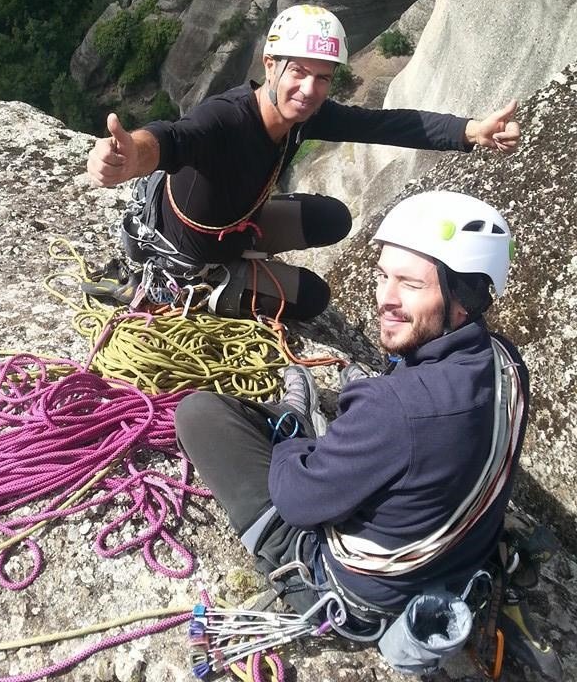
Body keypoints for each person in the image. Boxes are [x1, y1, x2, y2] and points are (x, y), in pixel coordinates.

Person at [175, 191, 559, 677]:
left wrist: (299, 443)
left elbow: (296, 499)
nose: (385, 298)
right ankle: (322, 428)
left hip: (353, 596)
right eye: (383, 275)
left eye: (411, 284)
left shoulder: (393, 407)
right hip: (457, 562)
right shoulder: (507, 362)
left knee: (199, 414)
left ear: (465, 298)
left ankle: (296, 414)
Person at [86, 4, 520, 319]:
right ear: (270, 66)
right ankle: (198, 291)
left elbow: (384, 125)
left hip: (239, 223)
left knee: (333, 218)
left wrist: (470, 131)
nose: (310, 89)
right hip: (188, 255)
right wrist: (128, 158)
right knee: (314, 298)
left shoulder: (304, 116)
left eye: (323, 78)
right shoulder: (226, 119)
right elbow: (171, 139)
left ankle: (246, 254)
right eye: (299, 72)